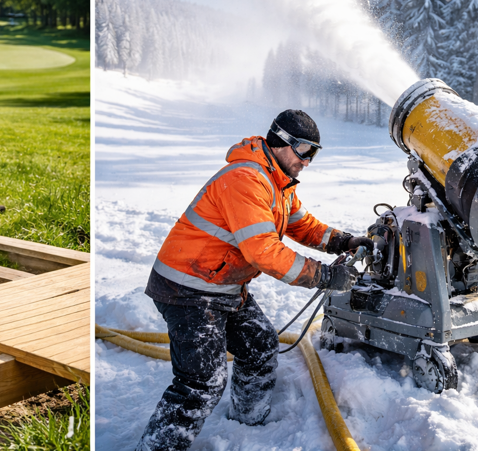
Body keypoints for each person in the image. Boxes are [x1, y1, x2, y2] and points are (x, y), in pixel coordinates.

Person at [136, 109, 371, 450]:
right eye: (305, 152)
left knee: (260, 345)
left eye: (314, 154)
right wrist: (324, 275)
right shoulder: (246, 179)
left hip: (222, 286)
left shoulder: (278, 183)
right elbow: (263, 251)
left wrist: (343, 241)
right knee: (202, 383)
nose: (308, 162)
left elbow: (302, 225)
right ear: (282, 142)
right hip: (187, 289)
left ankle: (249, 423)